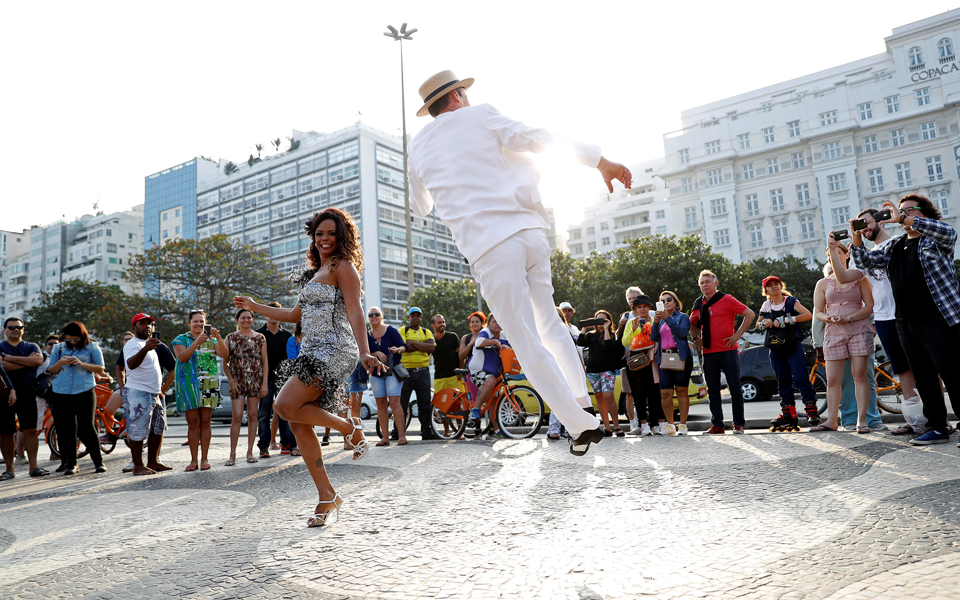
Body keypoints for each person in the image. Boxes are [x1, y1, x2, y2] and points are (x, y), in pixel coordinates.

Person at [407, 70, 632, 456]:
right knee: (548, 321)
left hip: (489, 249)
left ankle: (580, 424)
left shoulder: (419, 146)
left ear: (432, 110)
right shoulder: (482, 116)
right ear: (458, 96)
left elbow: (421, 206)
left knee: (526, 339)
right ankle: (580, 399)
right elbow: (539, 138)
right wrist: (600, 161)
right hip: (528, 232)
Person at [234, 207, 382, 527]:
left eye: (331, 233)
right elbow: (293, 315)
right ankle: (327, 495)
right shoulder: (314, 273)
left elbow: (356, 311)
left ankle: (349, 427)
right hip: (310, 350)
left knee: (284, 405)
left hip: (335, 349)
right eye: (319, 234)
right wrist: (253, 306)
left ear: (341, 237)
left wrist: (366, 351)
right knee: (298, 422)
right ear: (312, 238)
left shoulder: (343, 267)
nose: (324, 239)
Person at [850, 195, 960, 445]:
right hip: (906, 322)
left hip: (939, 318)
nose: (902, 215)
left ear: (925, 213)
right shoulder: (895, 245)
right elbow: (865, 262)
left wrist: (906, 218)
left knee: (952, 373)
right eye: (900, 211)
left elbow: (948, 231)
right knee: (924, 377)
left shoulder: (935, 239)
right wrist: (856, 235)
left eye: (910, 210)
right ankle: (937, 427)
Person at [838, 208, 919, 434]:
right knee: (902, 370)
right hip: (884, 318)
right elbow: (844, 277)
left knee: (924, 367)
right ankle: (914, 420)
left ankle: (935, 418)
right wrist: (835, 251)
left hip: (908, 313)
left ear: (881, 222)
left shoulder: (898, 242)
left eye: (867, 223)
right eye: (859, 225)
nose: (864, 228)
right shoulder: (860, 253)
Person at [813, 240, 875, 433]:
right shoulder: (822, 283)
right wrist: (829, 318)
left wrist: (849, 317)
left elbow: (870, 306)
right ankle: (832, 420)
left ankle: (862, 420)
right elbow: (818, 312)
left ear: (847, 255)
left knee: (859, 376)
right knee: (832, 380)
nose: (834, 257)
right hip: (834, 332)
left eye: (837, 253)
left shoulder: (860, 278)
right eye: (830, 254)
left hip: (858, 329)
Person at [690, 270, 756, 434]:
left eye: (707, 281)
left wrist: (738, 335)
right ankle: (717, 425)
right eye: (702, 283)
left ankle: (738, 424)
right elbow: (691, 322)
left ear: (715, 283)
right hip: (708, 352)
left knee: (735, 388)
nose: (705, 285)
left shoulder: (726, 299)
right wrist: (695, 337)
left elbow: (750, 314)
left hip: (728, 351)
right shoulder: (699, 304)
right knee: (713, 391)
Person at [753, 276, 819, 431]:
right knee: (782, 380)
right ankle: (788, 413)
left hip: (792, 345)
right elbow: (757, 324)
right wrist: (764, 323)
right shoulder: (766, 305)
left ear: (781, 286)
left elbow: (808, 315)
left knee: (801, 377)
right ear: (766, 291)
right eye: (770, 285)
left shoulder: (790, 301)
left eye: (776, 284)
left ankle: (812, 412)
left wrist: (788, 320)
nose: (774, 286)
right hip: (775, 347)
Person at [46, 321, 107, 475]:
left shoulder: (92, 347)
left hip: (84, 390)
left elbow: (100, 368)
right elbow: (51, 370)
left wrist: (82, 364)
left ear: (82, 336)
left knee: (87, 427)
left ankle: (98, 462)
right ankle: (72, 464)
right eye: (69, 338)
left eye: (76, 338)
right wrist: (61, 362)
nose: (72, 341)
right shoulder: (58, 348)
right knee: (67, 429)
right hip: (61, 391)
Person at [172, 310, 226, 472]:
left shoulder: (211, 338)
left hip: (209, 384)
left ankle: (205, 459)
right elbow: (182, 358)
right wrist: (197, 342)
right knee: (193, 423)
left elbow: (224, 354)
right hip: (189, 386)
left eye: (201, 321)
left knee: (206, 422)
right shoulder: (181, 339)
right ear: (189, 323)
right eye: (195, 321)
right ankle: (193, 459)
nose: (199, 324)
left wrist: (218, 338)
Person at [123, 314, 170, 475]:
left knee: (158, 428)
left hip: (153, 393)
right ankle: (138, 466)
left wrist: (161, 390)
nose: (147, 326)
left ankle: (153, 461)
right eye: (142, 323)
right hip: (138, 392)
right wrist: (146, 348)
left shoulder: (147, 344)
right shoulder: (133, 344)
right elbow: (131, 364)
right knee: (138, 430)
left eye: (149, 324)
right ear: (134, 327)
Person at [0, 317, 46, 478]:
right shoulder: (0, 347)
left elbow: (39, 360)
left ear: (23, 330)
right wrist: (28, 362)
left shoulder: (32, 346)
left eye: (19, 327)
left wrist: (9, 359)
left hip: (27, 392)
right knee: (6, 433)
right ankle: (9, 469)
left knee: (31, 430)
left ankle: (34, 467)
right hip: (4, 394)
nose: (15, 330)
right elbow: (1, 366)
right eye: (11, 327)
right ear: (4, 330)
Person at [223, 308, 268, 465]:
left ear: (253, 320)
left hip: (255, 381)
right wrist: (231, 380)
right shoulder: (230, 337)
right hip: (238, 383)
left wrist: (264, 383)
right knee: (236, 417)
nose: (246, 320)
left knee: (253, 416)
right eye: (243, 317)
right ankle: (232, 454)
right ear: (237, 320)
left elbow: (265, 362)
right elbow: (224, 362)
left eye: (249, 317)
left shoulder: (260, 338)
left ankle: (249, 452)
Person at [255, 301, 294, 459]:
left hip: (284, 379)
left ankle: (286, 443)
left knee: (284, 412)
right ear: (265, 314)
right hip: (265, 379)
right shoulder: (259, 335)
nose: (273, 316)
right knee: (264, 413)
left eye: (277, 312)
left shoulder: (287, 336)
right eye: (270, 312)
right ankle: (263, 446)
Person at [651, 291, 693, 436]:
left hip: (681, 357)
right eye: (662, 301)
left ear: (676, 303)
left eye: (669, 300)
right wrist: (655, 323)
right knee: (665, 393)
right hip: (664, 358)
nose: (666, 302)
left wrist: (667, 318)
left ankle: (682, 425)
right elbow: (653, 338)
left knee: (682, 391)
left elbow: (682, 333)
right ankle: (670, 425)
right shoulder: (660, 319)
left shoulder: (683, 317)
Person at [621, 296, 663, 436]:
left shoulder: (655, 321)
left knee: (654, 392)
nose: (642, 309)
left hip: (652, 358)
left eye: (645, 306)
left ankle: (655, 424)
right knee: (639, 393)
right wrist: (633, 330)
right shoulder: (631, 322)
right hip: (637, 360)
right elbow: (625, 342)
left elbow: (657, 337)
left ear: (649, 307)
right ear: (635, 310)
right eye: (639, 307)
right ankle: (643, 424)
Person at [577, 310, 624, 436]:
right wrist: (585, 328)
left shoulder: (611, 335)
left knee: (608, 395)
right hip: (593, 370)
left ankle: (616, 426)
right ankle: (607, 427)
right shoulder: (590, 335)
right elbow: (580, 342)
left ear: (608, 321)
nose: (600, 323)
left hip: (607, 369)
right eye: (598, 320)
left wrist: (607, 328)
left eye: (603, 320)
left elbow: (608, 346)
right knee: (599, 397)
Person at [367, 306, 407, 446]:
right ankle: (385, 437)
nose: (374, 316)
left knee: (395, 402)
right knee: (380, 404)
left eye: (376, 314)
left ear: (381, 316)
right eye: (371, 315)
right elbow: (363, 353)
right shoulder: (367, 335)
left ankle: (401, 436)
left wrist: (397, 350)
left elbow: (404, 346)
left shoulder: (390, 331)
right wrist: (376, 354)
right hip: (376, 373)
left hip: (392, 370)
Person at [467, 314, 511, 439]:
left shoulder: (503, 335)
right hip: (478, 370)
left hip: (495, 372)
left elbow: (510, 348)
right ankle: (475, 410)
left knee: (494, 402)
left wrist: (506, 347)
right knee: (490, 381)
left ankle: (497, 431)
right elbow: (478, 342)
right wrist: (494, 342)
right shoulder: (485, 332)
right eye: (494, 321)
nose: (497, 323)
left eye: (499, 321)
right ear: (488, 323)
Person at [397, 307, 436, 441]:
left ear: (421, 317)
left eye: (417, 315)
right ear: (409, 317)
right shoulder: (403, 330)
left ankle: (426, 432)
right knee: (402, 404)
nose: (415, 317)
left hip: (423, 371)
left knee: (424, 404)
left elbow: (431, 348)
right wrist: (422, 345)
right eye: (412, 315)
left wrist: (411, 343)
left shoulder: (426, 331)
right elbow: (402, 347)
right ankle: (397, 432)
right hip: (405, 372)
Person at [430, 314, 461, 395]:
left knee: (457, 404)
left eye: (443, 322)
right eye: (439, 322)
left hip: (454, 376)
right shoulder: (430, 340)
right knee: (441, 404)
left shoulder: (452, 336)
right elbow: (425, 357)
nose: (442, 324)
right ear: (433, 325)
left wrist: (460, 371)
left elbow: (461, 355)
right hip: (439, 378)